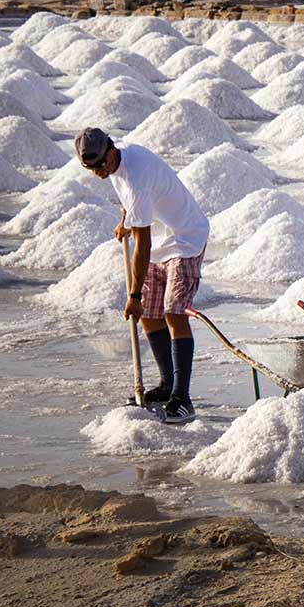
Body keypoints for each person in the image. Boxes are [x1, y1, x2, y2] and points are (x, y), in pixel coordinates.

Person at [75, 128, 210, 424]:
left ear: (111, 151)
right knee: (150, 316)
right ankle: (165, 386)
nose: (99, 172)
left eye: (101, 165)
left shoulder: (136, 177)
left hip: (185, 239)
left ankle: (182, 398)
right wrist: (126, 219)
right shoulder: (118, 162)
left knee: (173, 313)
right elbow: (130, 200)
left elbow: (142, 246)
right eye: (91, 168)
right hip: (162, 240)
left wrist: (134, 295)